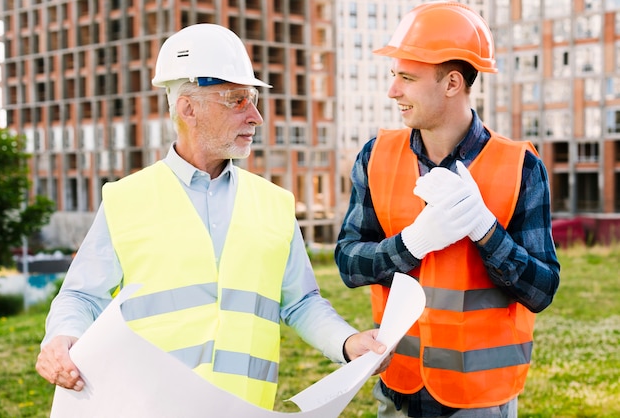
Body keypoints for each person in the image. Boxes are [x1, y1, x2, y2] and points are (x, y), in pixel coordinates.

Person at [35, 23, 390, 411]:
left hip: (243, 408)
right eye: (236, 100)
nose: (256, 116)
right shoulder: (125, 199)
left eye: (253, 99)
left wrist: (346, 342)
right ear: (188, 108)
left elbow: (300, 301)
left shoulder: (274, 204)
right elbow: (81, 295)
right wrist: (62, 336)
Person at [335, 2, 560, 418]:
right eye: (394, 76)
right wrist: (410, 244)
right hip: (398, 386)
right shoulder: (375, 156)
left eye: (406, 78)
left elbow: (542, 290)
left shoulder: (520, 167)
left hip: (479, 396)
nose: (393, 91)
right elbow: (348, 263)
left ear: (452, 82)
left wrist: (486, 231)